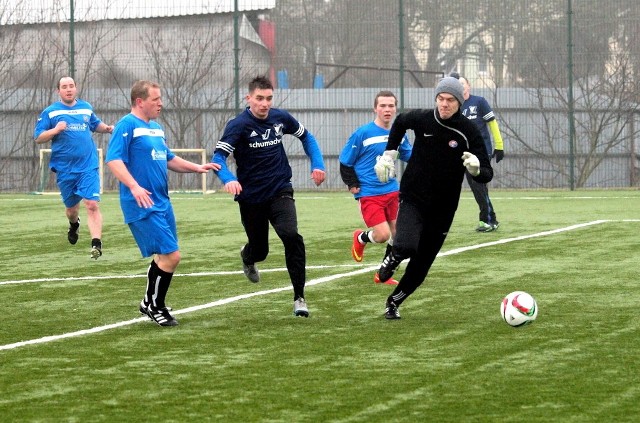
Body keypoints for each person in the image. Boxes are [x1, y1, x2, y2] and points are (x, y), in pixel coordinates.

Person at [373, 76, 493, 319]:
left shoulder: (468, 131)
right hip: (414, 196)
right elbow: (400, 122)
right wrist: (389, 153)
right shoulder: (423, 118)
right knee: (406, 245)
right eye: (440, 99)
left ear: (459, 102)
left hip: (444, 208)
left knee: (421, 267)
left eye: (450, 100)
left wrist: (477, 169)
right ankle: (393, 256)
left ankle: (393, 302)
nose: (444, 104)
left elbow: (487, 173)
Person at [105, 80, 219, 327]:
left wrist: (196, 167)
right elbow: (113, 160)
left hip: (162, 202)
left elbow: (168, 158)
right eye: (156, 99)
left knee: (164, 256)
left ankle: (149, 302)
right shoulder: (127, 125)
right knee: (172, 256)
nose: (161, 103)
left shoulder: (156, 128)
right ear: (140, 101)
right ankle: (155, 306)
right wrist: (134, 187)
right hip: (141, 203)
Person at [212, 75, 326, 318]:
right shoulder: (238, 125)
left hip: (280, 190)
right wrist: (228, 179)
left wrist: (317, 164)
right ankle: (248, 255)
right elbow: (218, 159)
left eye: (269, 99)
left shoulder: (280, 117)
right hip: (251, 197)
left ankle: (299, 297)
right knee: (260, 250)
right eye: (260, 99)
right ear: (249, 98)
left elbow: (307, 136)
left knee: (290, 235)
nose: (265, 104)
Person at [34, 76, 113, 259]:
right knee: (72, 210)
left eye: (71, 86)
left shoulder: (86, 107)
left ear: (76, 88)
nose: (68, 89)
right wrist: (56, 130)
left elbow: (95, 124)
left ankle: (96, 244)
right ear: (58, 91)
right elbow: (38, 137)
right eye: (64, 87)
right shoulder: (51, 112)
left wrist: (107, 128)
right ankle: (74, 224)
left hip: (88, 165)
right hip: (65, 169)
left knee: (92, 204)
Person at [339, 90, 412, 285]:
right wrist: (351, 183)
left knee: (399, 236)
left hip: (392, 191)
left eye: (391, 106)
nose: (387, 109)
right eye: (383, 106)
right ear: (375, 108)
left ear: (395, 108)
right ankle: (361, 238)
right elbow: (345, 161)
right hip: (369, 193)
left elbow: (410, 156)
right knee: (382, 235)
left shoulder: (399, 133)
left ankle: (383, 274)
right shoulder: (363, 133)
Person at [453, 73, 505, 232]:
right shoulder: (454, 106)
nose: (461, 86)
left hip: (480, 153)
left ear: (468, 85)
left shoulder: (479, 102)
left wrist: (499, 145)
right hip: (462, 153)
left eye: (463, 83)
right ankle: (490, 219)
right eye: (457, 84)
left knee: (478, 185)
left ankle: (488, 220)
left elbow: (492, 123)